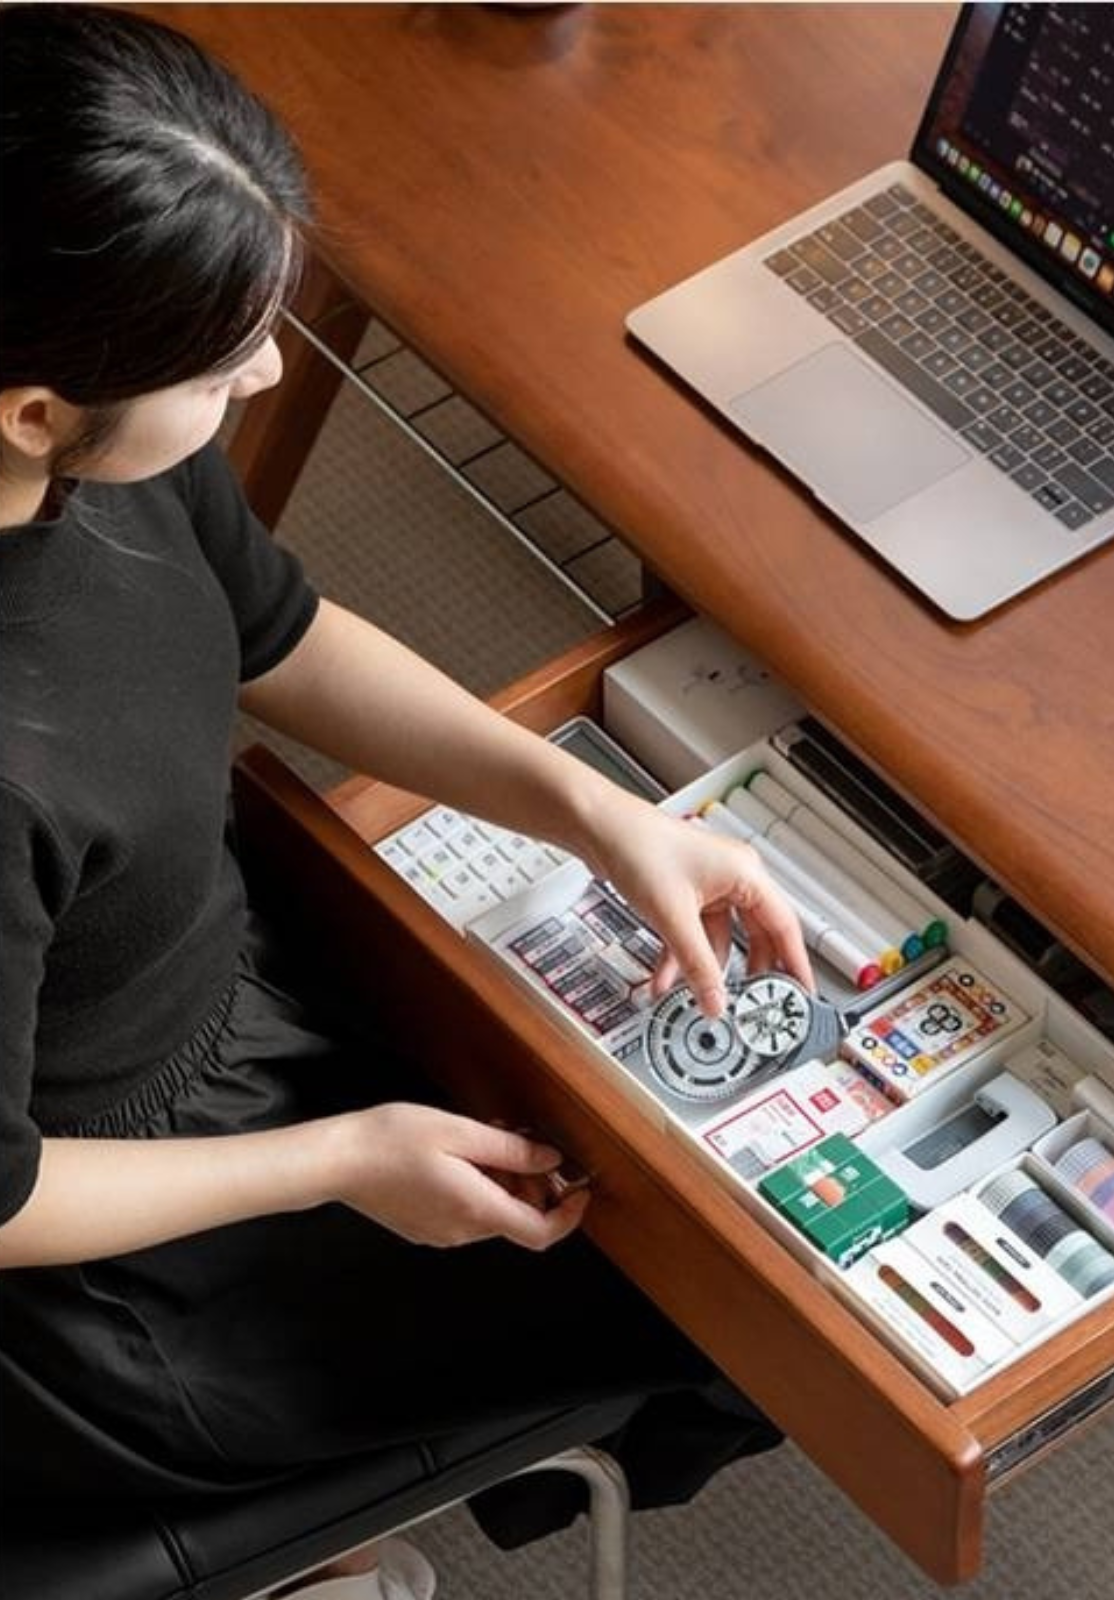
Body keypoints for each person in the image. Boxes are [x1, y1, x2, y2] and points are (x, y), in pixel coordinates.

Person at [0, 7, 813, 1596]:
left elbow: (278, 633)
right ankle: (335, 1553)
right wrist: (341, 1160)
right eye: (229, 355)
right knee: (723, 1307)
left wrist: (591, 813)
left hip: (208, 999)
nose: (265, 369)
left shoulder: (106, 438)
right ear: (34, 405)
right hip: (113, 1277)